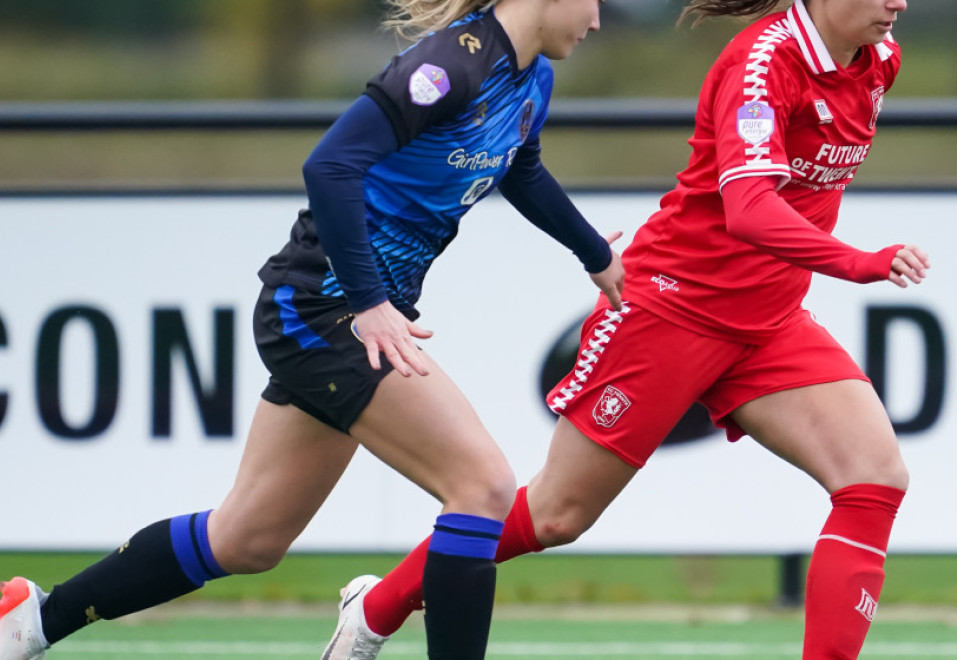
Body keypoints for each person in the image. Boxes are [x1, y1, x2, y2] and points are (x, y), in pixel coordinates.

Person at [0, 0, 620, 658]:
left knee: (248, 539)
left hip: (354, 315)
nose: (599, 20)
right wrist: (369, 300)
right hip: (324, 309)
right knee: (483, 486)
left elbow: (521, 169)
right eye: (593, 0)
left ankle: (31, 621)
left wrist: (597, 256)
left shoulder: (532, 80)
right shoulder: (448, 66)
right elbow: (330, 166)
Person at [324, 0, 925, 655]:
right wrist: (858, 263)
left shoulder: (879, 61)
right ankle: (376, 608)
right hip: (673, 309)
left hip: (769, 321)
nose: (897, 2)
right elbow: (749, 210)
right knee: (557, 514)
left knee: (875, 477)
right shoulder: (765, 61)